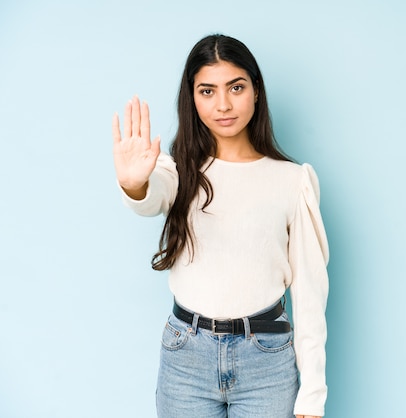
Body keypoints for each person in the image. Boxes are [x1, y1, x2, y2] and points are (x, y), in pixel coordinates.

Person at [111, 34, 329, 418]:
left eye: (236, 87)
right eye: (207, 91)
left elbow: (310, 293)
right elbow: (151, 197)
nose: (223, 104)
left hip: (267, 361)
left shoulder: (293, 181)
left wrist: (312, 393)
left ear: (256, 91)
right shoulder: (175, 170)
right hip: (186, 357)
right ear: (192, 99)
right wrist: (134, 183)